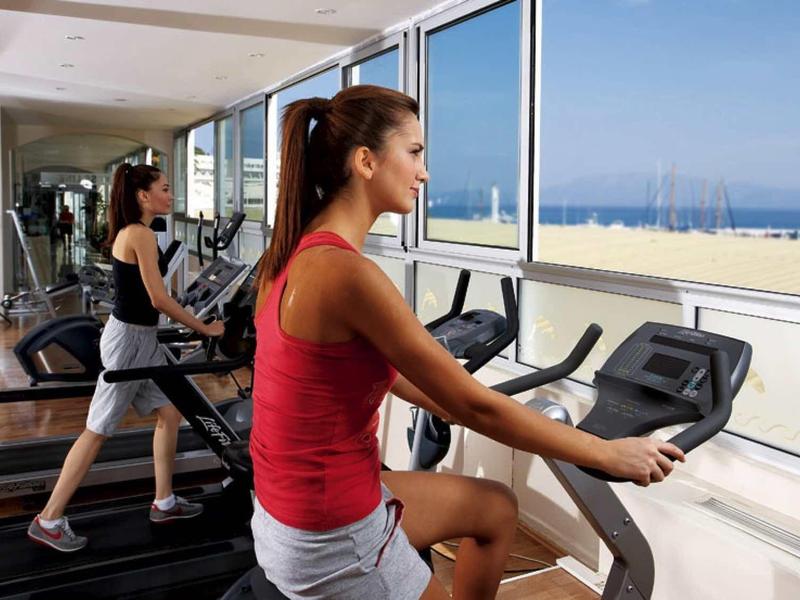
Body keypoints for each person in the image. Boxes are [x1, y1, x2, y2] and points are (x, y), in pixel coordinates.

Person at [250, 84, 686, 600]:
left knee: (494, 509)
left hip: (287, 514)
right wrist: (609, 454)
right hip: (331, 536)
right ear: (366, 161)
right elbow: (476, 407)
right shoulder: (346, 273)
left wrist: (454, 400)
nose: (424, 172)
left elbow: (363, 375)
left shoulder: (290, 256)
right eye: (414, 152)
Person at [27, 163, 225, 552]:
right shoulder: (141, 234)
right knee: (97, 429)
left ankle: (164, 502)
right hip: (130, 343)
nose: (171, 195)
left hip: (140, 338)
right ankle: (48, 519)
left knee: (169, 412)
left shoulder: (133, 233)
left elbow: (149, 300)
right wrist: (205, 329)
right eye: (165, 189)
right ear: (143, 196)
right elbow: (158, 299)